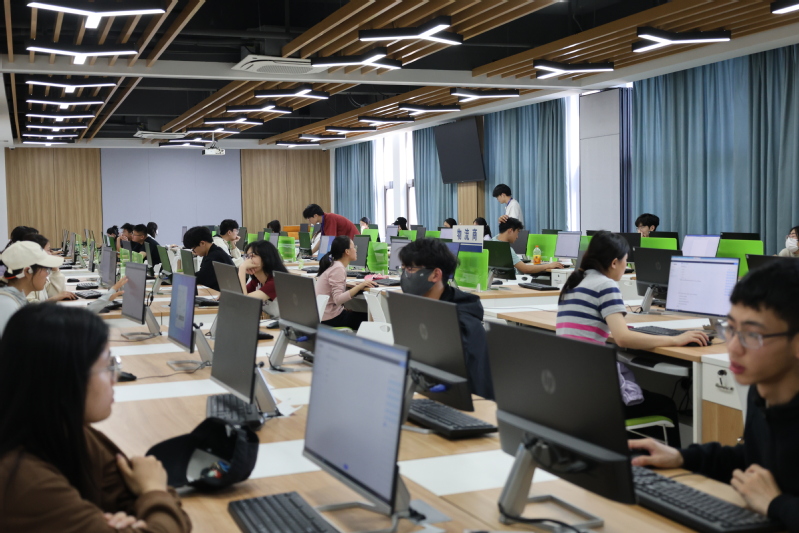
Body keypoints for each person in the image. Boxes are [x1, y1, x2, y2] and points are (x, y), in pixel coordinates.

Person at [630, 260, 799, 529]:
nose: (733, 347)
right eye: (730, 328)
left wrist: (776, 504)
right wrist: (682, 457)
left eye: (751, 334)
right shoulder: (761, 389)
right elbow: (754, 459)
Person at [0, 304, 192, 532]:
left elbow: (129, 497)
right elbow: (164, 517)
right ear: (67, 378)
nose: (115, 377)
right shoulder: (24, 481)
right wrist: (155, 490)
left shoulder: (67, 430)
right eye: (107, 365)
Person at [556, 231, 710, 446]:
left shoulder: (575, 282)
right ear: (614, 263)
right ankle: (674, 463)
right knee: (666, 405)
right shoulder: (605, 284)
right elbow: (623, 339)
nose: (626, 266)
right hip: (596, 393)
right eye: (626, 261)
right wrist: (676, 340)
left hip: (572, 387)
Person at [397, 238, 493, 400]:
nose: (405, 275)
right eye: (403, 268)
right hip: (428, 394)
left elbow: (465, 380)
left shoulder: (462, 322)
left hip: (470, 403)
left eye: (410, 269)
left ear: (435, 274)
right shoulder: (421, 308)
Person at [0, 242, 127, 335]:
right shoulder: (7, 306)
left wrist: (107, 297)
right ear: (28, 271)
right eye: (45, 269)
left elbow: (69, 322)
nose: (48, 273)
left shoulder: (17, 300)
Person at [315, 236, 376, 330]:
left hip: (324, 315)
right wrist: (359, 286)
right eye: (354, 247)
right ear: (347, 251)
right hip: (330, 318)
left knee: (364, 316)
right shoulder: (338, 268)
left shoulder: (334, 265)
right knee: (372, 319)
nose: (356, 250)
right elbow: (338, 299)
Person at [493, 218, 564, 275]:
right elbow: (526, 269)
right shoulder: (506, 249)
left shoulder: (493, 241)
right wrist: (548, 265)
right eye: (517, 232)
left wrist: (502, 222)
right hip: (514, 282)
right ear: (510, 231)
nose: (517, 237)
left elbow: (502, 235)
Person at [20, 233, 77, 303]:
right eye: (48, 250)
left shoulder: (38, 270)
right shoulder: (26, 273)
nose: (50, 254)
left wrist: (55, 269)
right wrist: (54, 299)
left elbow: (57, 294)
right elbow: (28, 305)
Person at [238, 240, 287, 317]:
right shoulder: (257, 280)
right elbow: (238, 296)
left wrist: (242, 268)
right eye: (247, 256)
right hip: (269, 321)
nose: (248, 260)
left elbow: (245, 301)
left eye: (252, 256)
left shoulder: (275, 282)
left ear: (265, 258)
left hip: (281, 323)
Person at [182, 226, 233, 292]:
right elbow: (203, 273)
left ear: (202, 243)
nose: (194, 252)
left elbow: (202, 279)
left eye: (193, 249)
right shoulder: (212, 252)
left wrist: (184, 278)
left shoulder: (215, 257)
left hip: (219, 294)